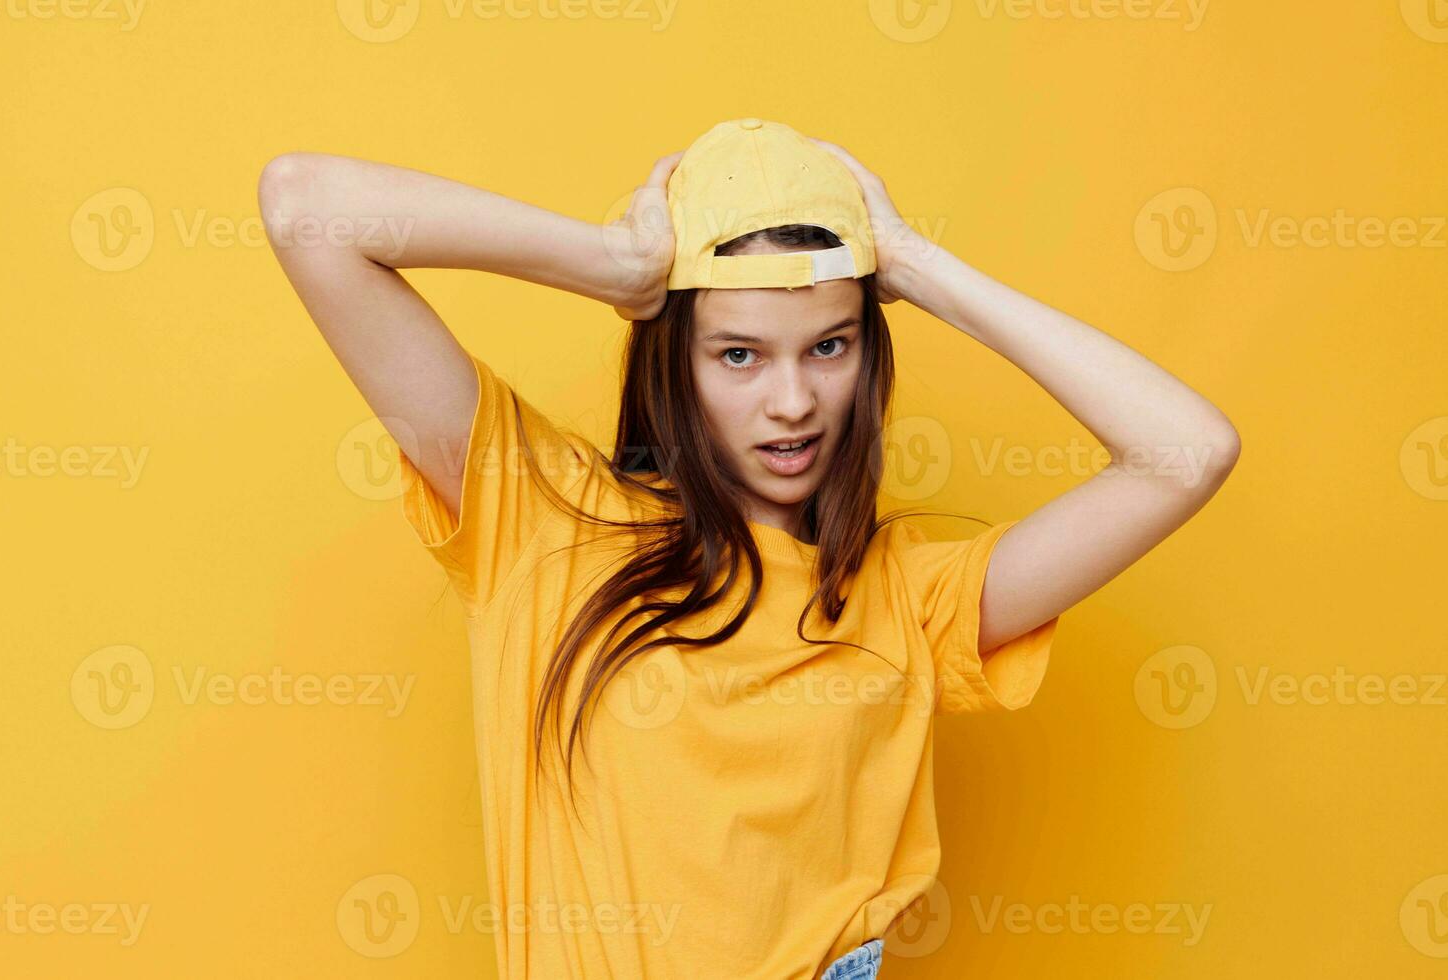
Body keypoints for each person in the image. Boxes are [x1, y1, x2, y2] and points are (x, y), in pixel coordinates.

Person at [258, 117, 1240, 980]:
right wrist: (613, 266)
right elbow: (306, 206)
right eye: (739, 352)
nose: (792, 400)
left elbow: (1187, 451)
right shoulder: (541, 520)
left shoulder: (908, 597)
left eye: (830, 345)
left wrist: (913, 265)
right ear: (672, 358)